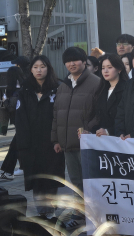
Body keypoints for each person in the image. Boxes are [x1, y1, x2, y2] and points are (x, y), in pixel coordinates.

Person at [16, 56, 65, 222]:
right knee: (36, 179)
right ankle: (42, 212)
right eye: (35, 67)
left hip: (51, 141)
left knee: (50, 177)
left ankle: (50, 211)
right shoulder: (25, 90)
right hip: (31, 142)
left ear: (48, 68)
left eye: (42, 66)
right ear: (30, 70)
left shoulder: (58, 87)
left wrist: (58, 138)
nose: (39, 70)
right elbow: (20, 118)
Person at [51, 47, 101, 194]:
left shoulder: (96, 83)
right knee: (75, 181)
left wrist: (89, 130)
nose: (71, 64)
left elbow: (101, 113)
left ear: (84, 62)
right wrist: (56, 140)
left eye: (75, 60)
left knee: (91, 180)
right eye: (67, 61)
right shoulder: (63, 86)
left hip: (86, 142)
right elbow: (56, 114)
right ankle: (79, 213)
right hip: (67, 144)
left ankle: (91, 214)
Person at [0, 64, 26, 180]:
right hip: (22, 123)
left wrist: (5, 100)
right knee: (17, 147)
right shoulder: (24, 87)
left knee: (14, 148)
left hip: (21, 123)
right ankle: (12, 170)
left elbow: (11, 107)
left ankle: (8, 172)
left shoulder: (17, 90)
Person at [88, 54, 128, 137]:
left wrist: (109, 131)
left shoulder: (127, 88)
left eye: (110, 67)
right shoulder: (101, 90)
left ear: (119, 69)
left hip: (120, 138)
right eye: (103, 68)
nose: (105, 71)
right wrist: (91, 132)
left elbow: (127, 118)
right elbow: (99, 118)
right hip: (103, 140)